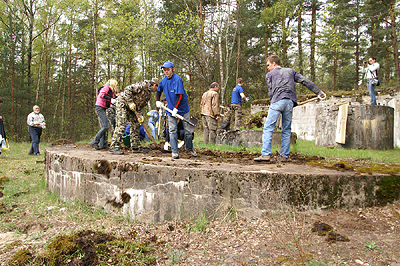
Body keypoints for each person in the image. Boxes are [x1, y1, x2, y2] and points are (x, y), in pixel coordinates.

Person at [254, 55, 326, 162]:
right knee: (286, 130)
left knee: (268, 128)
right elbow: (304, 80)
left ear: (274, 63)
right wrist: (318, 92)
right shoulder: (291, 71)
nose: (268, 67)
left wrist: (273, 102)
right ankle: (284, 156)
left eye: (268, 65)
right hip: (289, 103)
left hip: (277, 101)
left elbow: (271, 92)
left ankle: (265, 154)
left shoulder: (270, 74)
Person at [156, 61, 197, 159]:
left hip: (183, 109)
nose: (166, 72)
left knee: (188, 131)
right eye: (165, 70)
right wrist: (158, 101)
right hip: (170, 110)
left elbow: (180, 96)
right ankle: (174, 152)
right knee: (172, 130)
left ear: (173, 69)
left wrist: (176, 108)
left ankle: (189, 148)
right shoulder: (163, 81)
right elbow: (158, 90)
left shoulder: (177, 80)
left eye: (168, 70)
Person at [109, 78, 159, 155]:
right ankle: (114, 147)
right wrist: (130, 102)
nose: (157, 90)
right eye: (157, 88)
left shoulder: (148, 94)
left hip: (132, 108)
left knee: (135, 125)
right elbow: (127, 89)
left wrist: (140, 116)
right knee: (122, 124)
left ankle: (136, 147)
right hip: (123, 103)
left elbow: (140, 105)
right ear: (155, 85)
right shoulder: (142, 85)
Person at [90, 79, 118, 150]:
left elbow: (107, 99)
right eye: (116, 84)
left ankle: (103, 144)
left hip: (103, 108)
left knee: (104, 127)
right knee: (105, 126)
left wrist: (113, 100)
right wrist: (111, 100)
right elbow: (102, 95)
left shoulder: (110, 90)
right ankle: (94, 141)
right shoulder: (106, 88)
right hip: (100, 108)